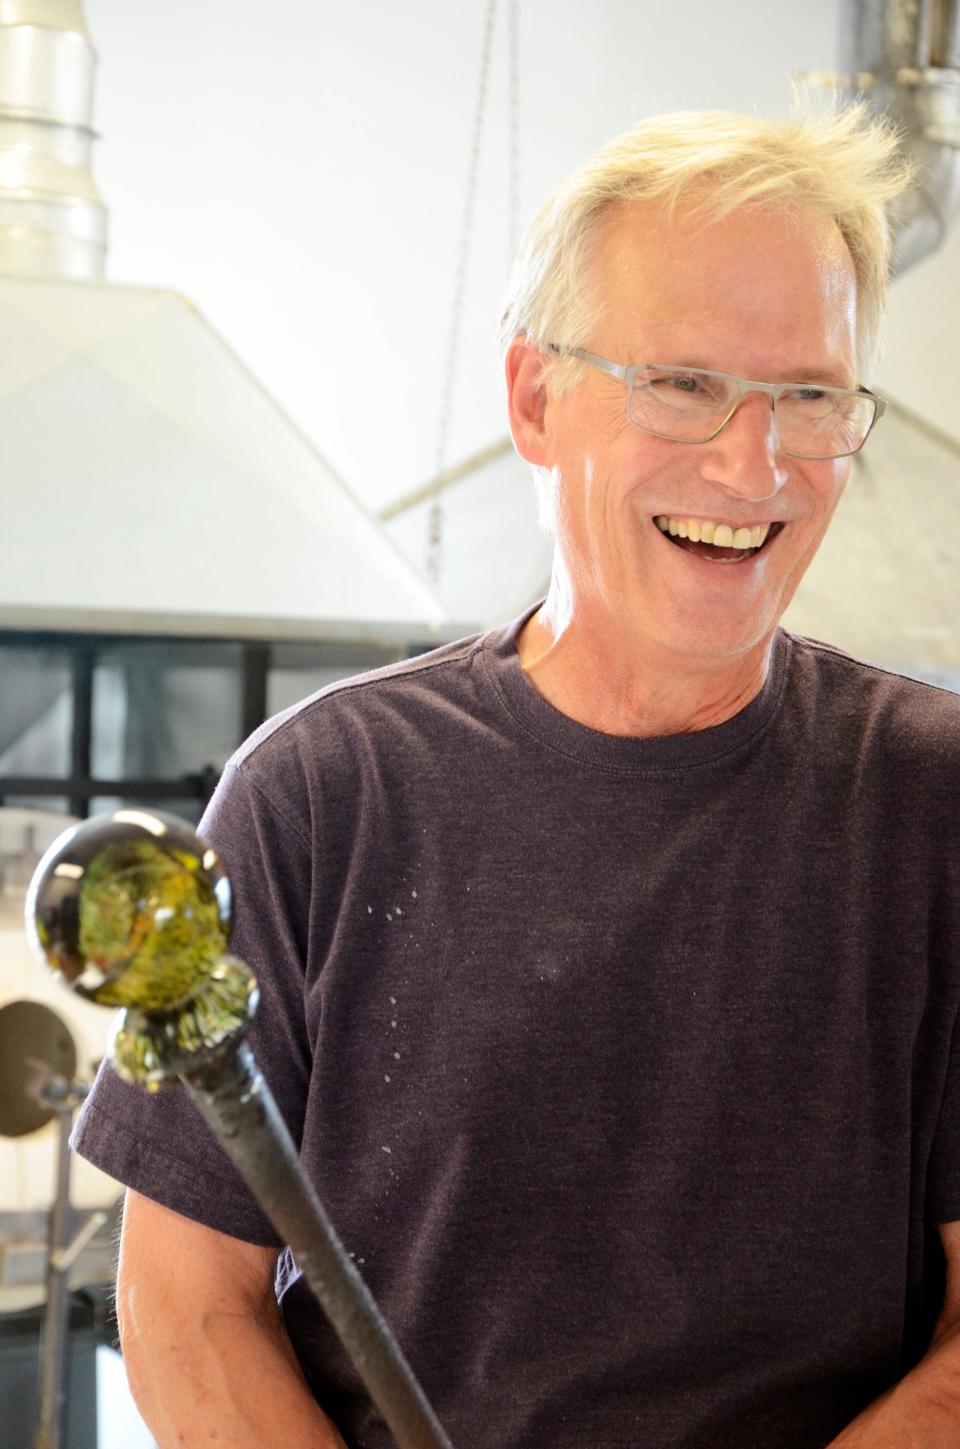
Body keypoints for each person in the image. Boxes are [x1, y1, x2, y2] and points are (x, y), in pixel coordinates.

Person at [74, 107, 960, 1449]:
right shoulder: (325, 797)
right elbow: (188, 1305)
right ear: (535, 398)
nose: (752, 461)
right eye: (684, 381)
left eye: (812, 394)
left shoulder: (933, 808)